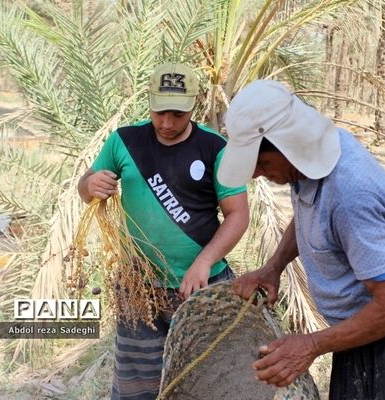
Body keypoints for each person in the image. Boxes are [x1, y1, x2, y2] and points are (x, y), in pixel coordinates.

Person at [217, 80, 385, 400]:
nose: (258, 175)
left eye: (263, 164)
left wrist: (310, 344)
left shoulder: (351, 195)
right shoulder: (307, 163)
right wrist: (273, 267)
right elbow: (310, 214)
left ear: (288, 145)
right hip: (362, 326)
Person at [77, 62, 249, 400]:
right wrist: (90, 184)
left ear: (193, 106)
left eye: (177, 114)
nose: (167, 123)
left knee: (208, 381)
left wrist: (204, 262)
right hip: (139, 291)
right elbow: (86, 188)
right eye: (159, 113)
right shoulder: (124, 141)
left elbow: (238, 216)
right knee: (137, 387)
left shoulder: (216, 148)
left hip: (202, 287)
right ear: (149, 102)